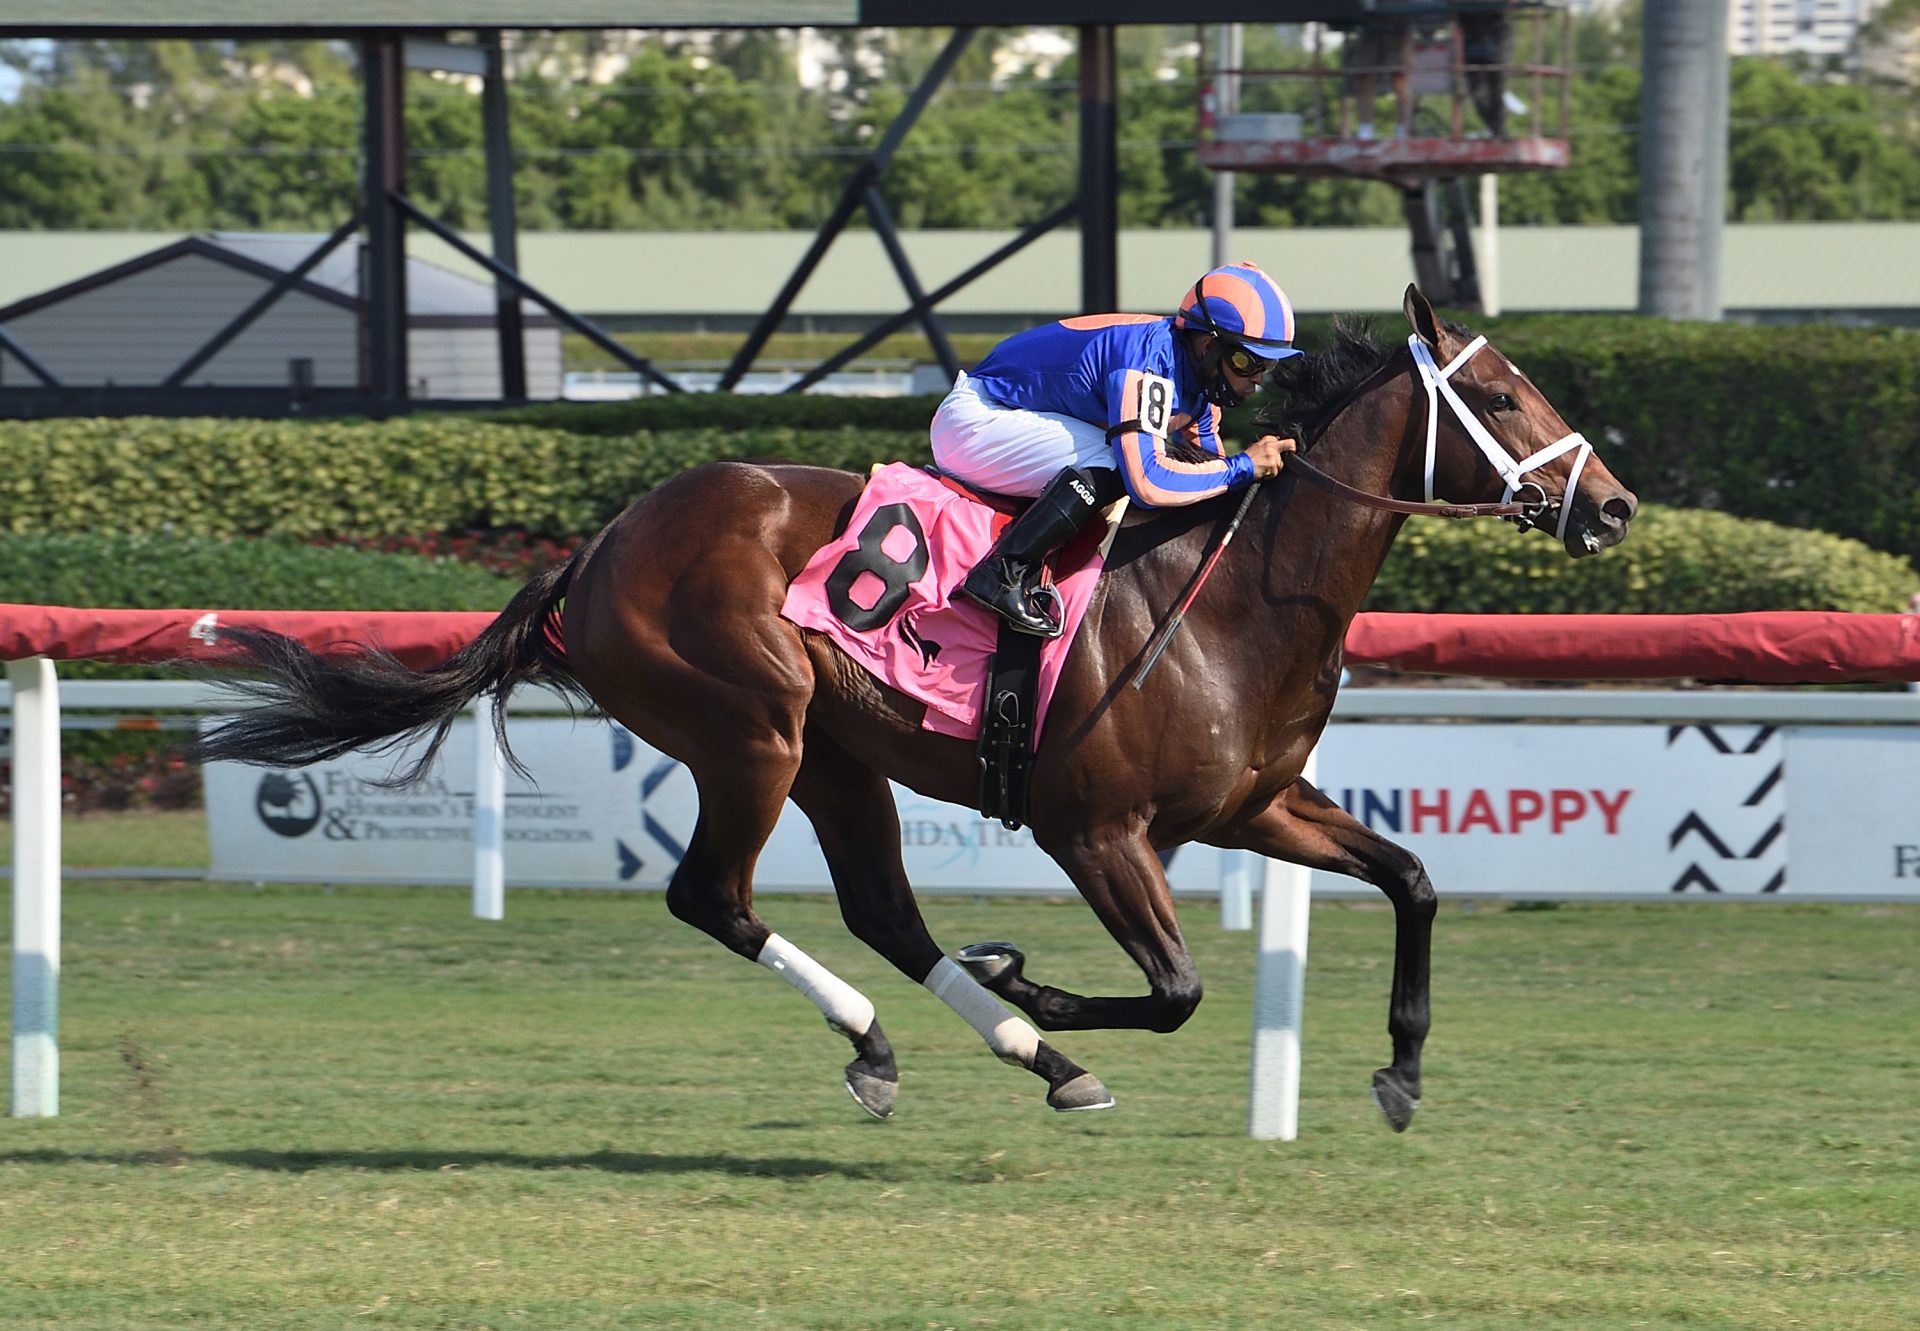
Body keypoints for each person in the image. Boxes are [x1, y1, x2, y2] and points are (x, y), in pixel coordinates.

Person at [930, 260, 1301, 638]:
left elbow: (1212, 475)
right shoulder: (1148, 364)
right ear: (1208, 346)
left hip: (1009, 419)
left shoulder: (1201, 395)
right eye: (1248, 361)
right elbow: (1148, 482)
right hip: (974, 422)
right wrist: (1243, 466)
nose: (1256, 379)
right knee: (1118, 461)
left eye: (1266, 365)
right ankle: (1003, 571)